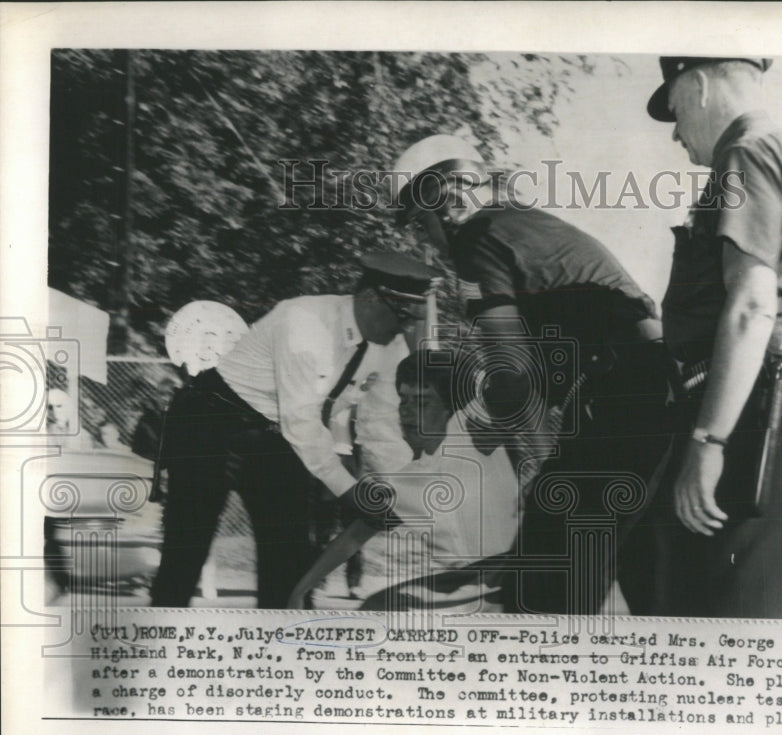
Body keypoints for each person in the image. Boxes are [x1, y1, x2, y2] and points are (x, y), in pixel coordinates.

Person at [391, 134, 672, 615]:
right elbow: (549, 371)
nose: (426, 240)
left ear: (444, 202)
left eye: (421, 223)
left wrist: (482, 426)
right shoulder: (527, 224)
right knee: (636, 581)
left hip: (625, 399)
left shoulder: (475, 241)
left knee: (538, 591)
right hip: (653, 394)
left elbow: (513, 377)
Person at [647, 57, 782, 618]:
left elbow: (753, 305)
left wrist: (707, 442)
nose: (675, 131)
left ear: (699, 84)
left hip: (769, 400)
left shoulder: (742, 152)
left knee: (732, 622)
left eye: (675, 108)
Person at [150, 252, 433, 608]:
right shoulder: (304, 321)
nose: (405, 329)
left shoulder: (389, 346)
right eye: (403, 316)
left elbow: (379, 423)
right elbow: (301, 421)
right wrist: (351, 492)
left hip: (276, 437)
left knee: (289, 571)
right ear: (371, 298)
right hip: (212, 424)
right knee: (183, 560)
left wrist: (399, 487)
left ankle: (284, 657)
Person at [287, 350, 519, 611]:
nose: (407, 411)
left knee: (384, 610)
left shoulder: (472, 433)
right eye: (403, 400)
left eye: (421, 402)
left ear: (449, 410)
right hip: (469, 586)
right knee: (380, 610)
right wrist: (301, 589)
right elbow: (354, 536)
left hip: (508, 575)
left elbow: (512, 380)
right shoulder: (407, 481)